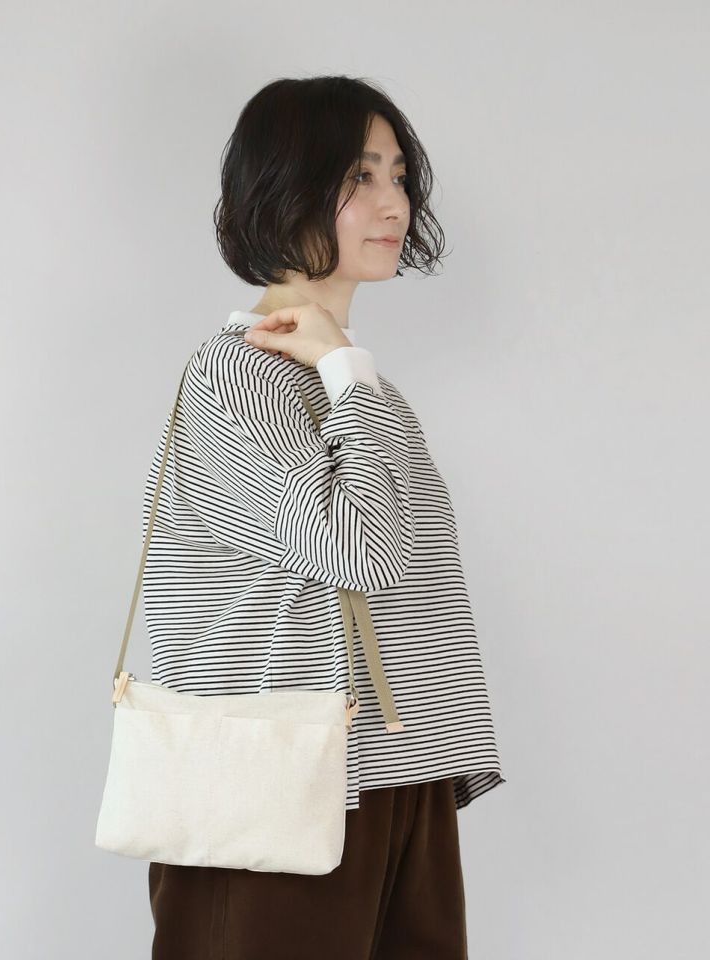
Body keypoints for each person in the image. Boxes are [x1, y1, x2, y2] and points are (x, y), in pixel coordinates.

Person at [143, 74, 506, 959]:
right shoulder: (237, 374)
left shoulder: (359, 386)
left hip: (395, 769)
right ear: (285, 189)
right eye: (359, 176)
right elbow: (361, 551)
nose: (394, 202)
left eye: (397, 175)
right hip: (279, 784)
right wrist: (343, 365)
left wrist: (345, 368)